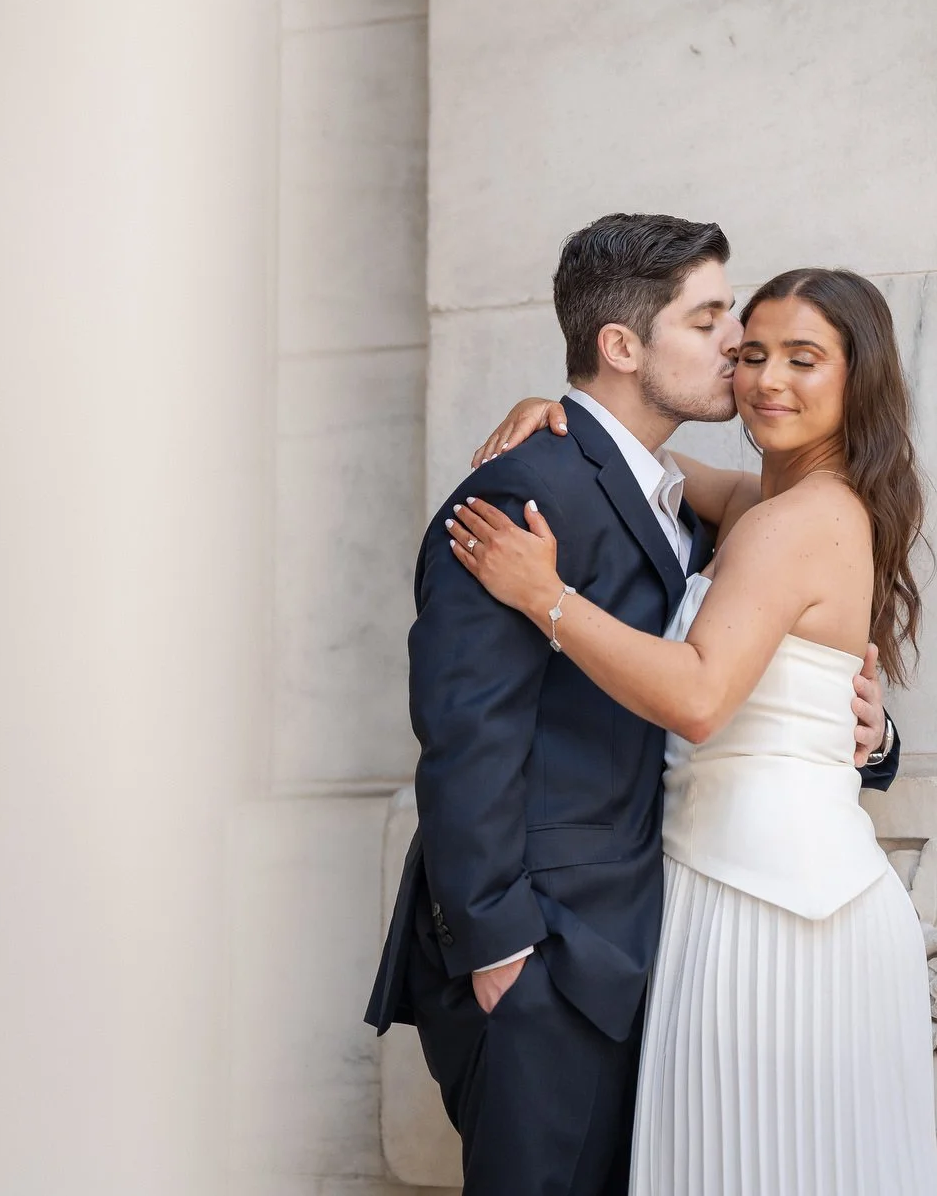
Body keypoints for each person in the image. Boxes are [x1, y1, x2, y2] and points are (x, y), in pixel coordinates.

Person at [365, 217, 899, 1196]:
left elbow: (702, 693)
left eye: (796, 355)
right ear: (622, 345)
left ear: (856, 379)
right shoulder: (591, 496)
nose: (745, 358)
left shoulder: (792, 516)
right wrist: (499, 947)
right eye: (721, 328)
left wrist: (549, 597)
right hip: (561, 953)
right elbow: (466, 735)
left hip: (746, 914)